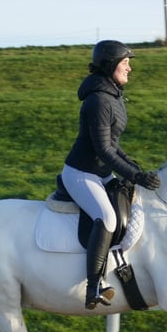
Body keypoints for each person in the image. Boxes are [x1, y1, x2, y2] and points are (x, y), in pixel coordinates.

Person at [61, 40, 161, 310]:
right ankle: (93, 285)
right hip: (81, 174)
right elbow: (104, 150)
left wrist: (136, 170)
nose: (129, 68)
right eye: (125, 62)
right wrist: (134, 175)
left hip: (100, 173)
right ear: (109, 65)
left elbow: (113, 144)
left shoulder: (112, 95)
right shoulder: (98, 100)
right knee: (106, 217)